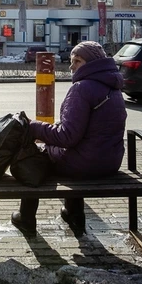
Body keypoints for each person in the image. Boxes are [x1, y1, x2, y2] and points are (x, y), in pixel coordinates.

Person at [10, 41, 127, 236]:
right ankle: (74, 213)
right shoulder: (113, 88)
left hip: (85, 165)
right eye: (72, 61)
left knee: (33, 159)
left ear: (91, 63)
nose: (71, 66)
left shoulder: (81, 88)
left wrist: (35, 128)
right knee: (74, 155)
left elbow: (67, 137)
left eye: (77, 61)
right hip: (110, 162)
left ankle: (26, 218)